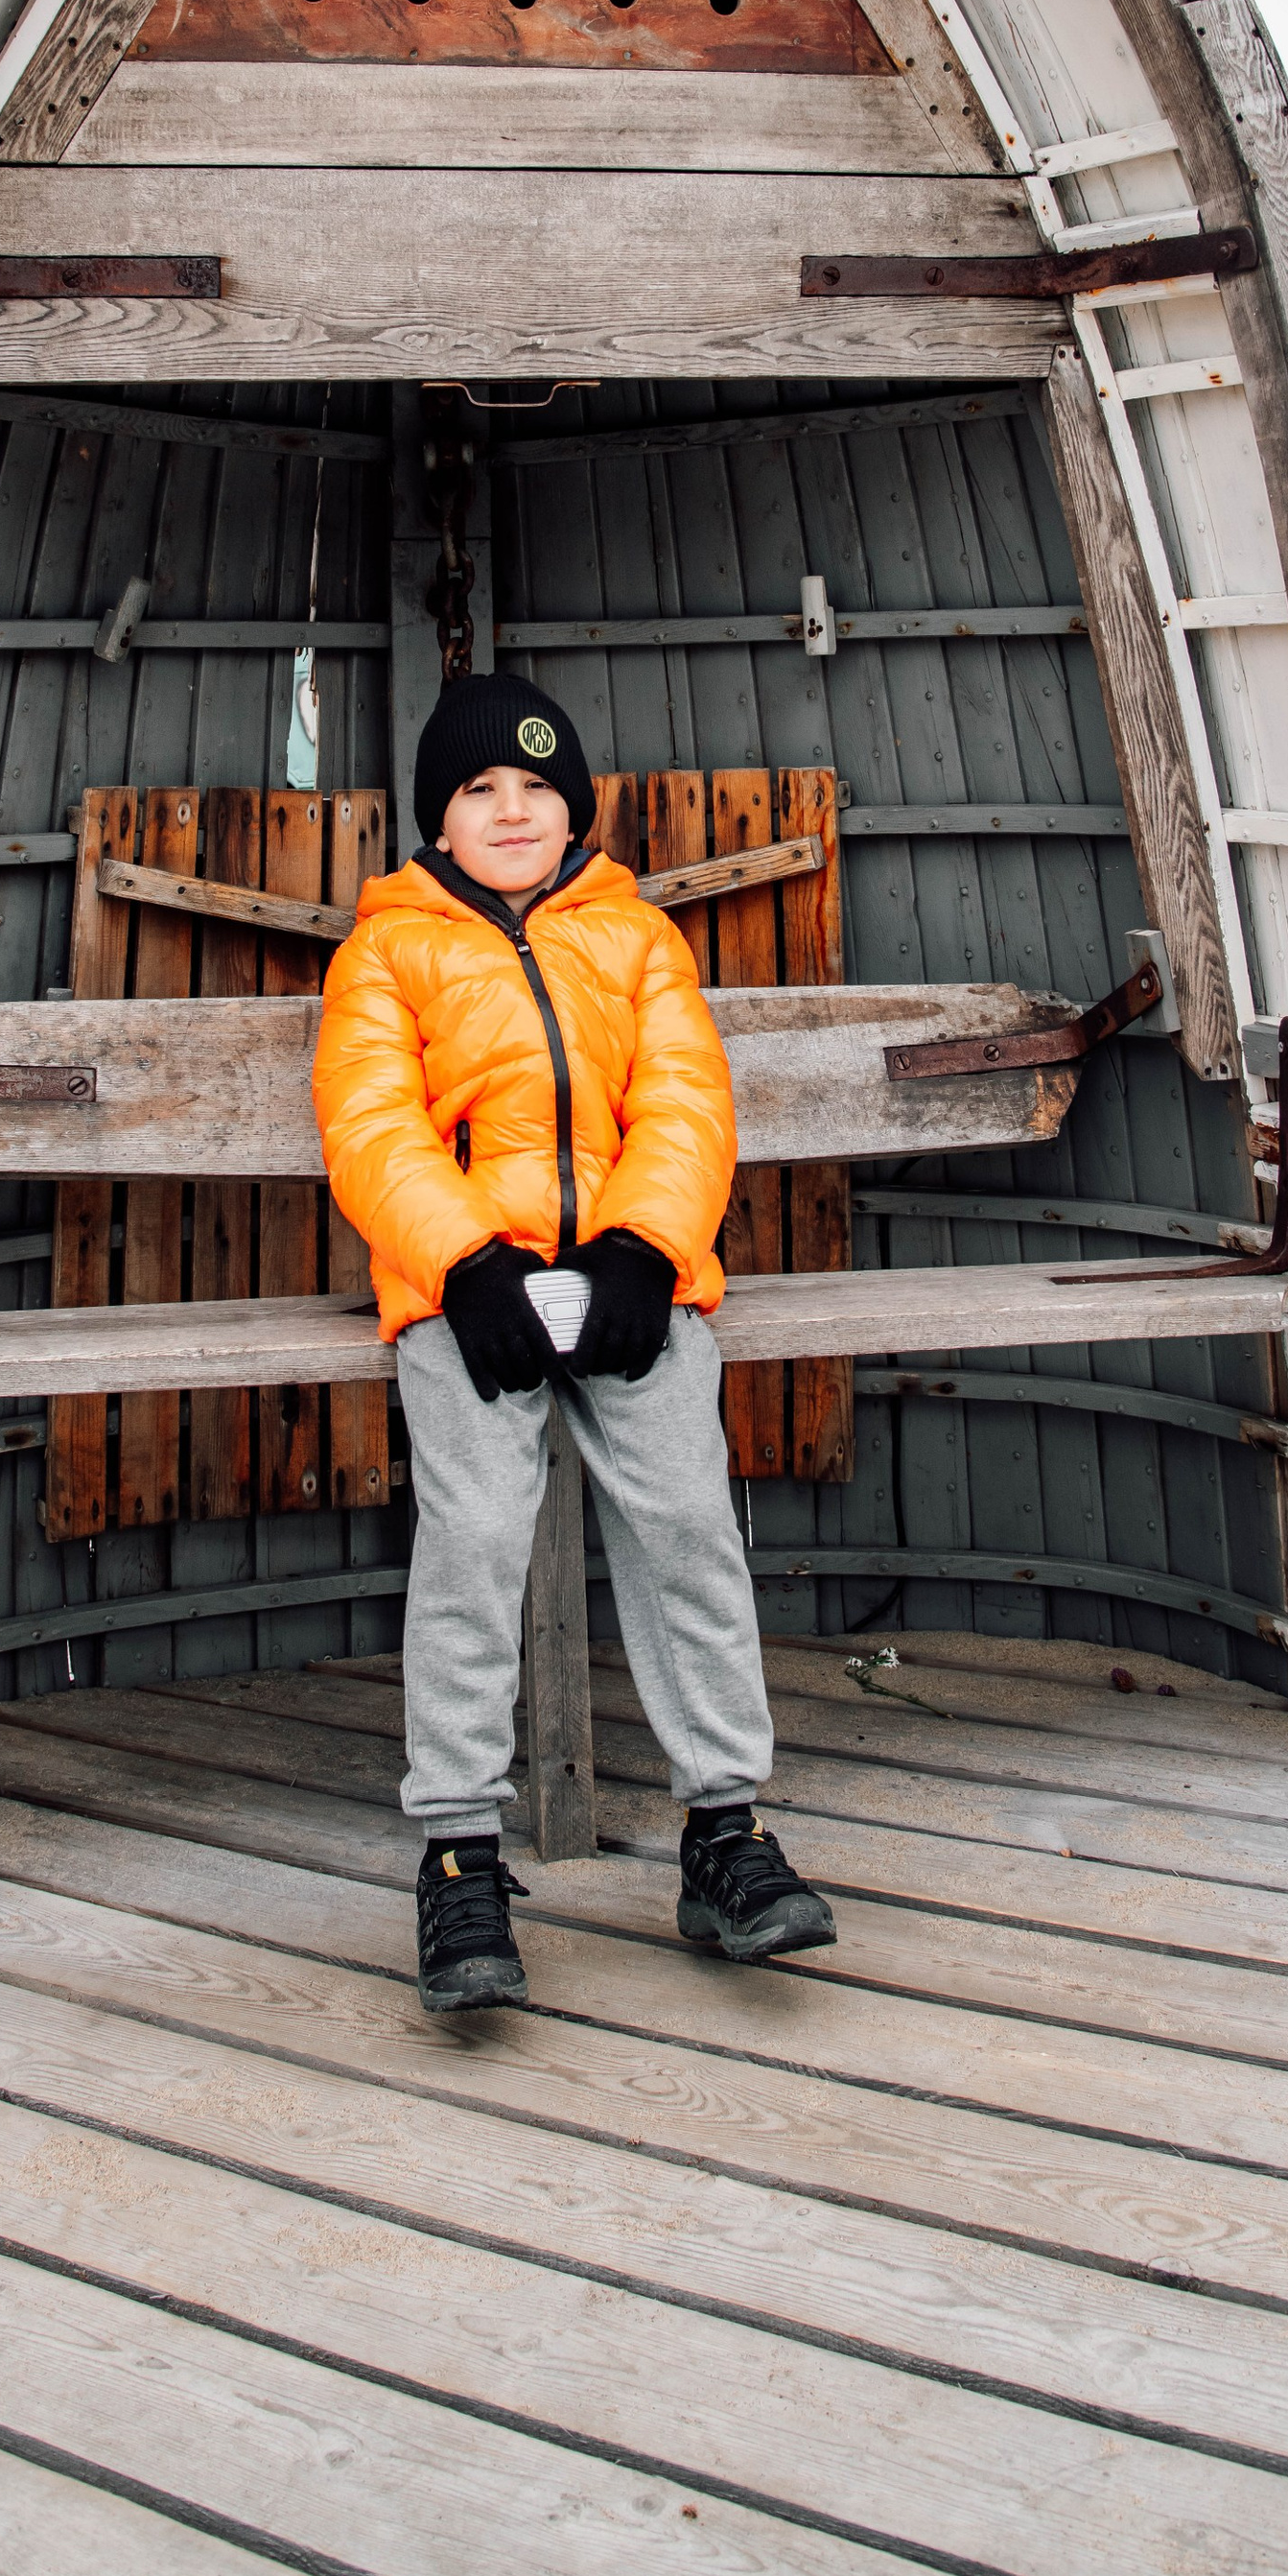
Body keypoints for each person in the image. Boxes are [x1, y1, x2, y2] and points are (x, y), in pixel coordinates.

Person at [314, 671, 838, 2013]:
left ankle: (726, 1832)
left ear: (574, 809)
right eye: (480, 789)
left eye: (536, 789)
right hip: (469, 1292)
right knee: (478, 1536)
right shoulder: (388, 947)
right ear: (441, 812)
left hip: (632, 1284)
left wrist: (642, 1253)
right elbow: (372, 1125)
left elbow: (684, 1105)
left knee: (683, 1526)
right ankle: (458, 1858)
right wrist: (467, 1264)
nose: (509, 811)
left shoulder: (635, 939)